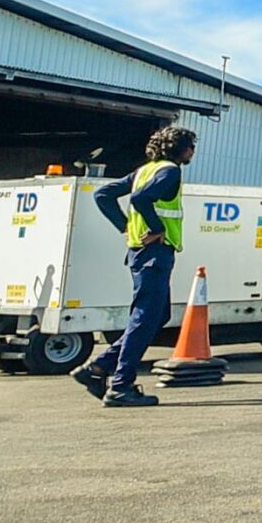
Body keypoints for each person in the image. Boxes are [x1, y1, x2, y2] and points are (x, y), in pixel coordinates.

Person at [83, 125, 196, 407]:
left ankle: (98, 367)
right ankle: (121, 385)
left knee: (157, 317)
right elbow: (140, 199)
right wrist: (156, 227)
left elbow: (103, 195)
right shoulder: (170, 171)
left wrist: (125, 227)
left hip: (140, 253)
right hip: (154, 253)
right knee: (145, 317)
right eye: (191, 146)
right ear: (181, 149)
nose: (193, 151)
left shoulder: (144, 171)